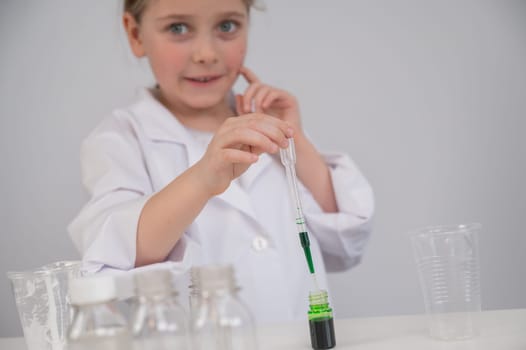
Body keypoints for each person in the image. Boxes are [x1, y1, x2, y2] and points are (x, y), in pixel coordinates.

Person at [68, 0, 374, 323]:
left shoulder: (268, 121)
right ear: (136, 34)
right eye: (178, 28)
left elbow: (347, 241)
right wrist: (202, 179)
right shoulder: (122, 139)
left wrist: (294, 139)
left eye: (226, 26)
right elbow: (116, 256)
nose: (206, 54)